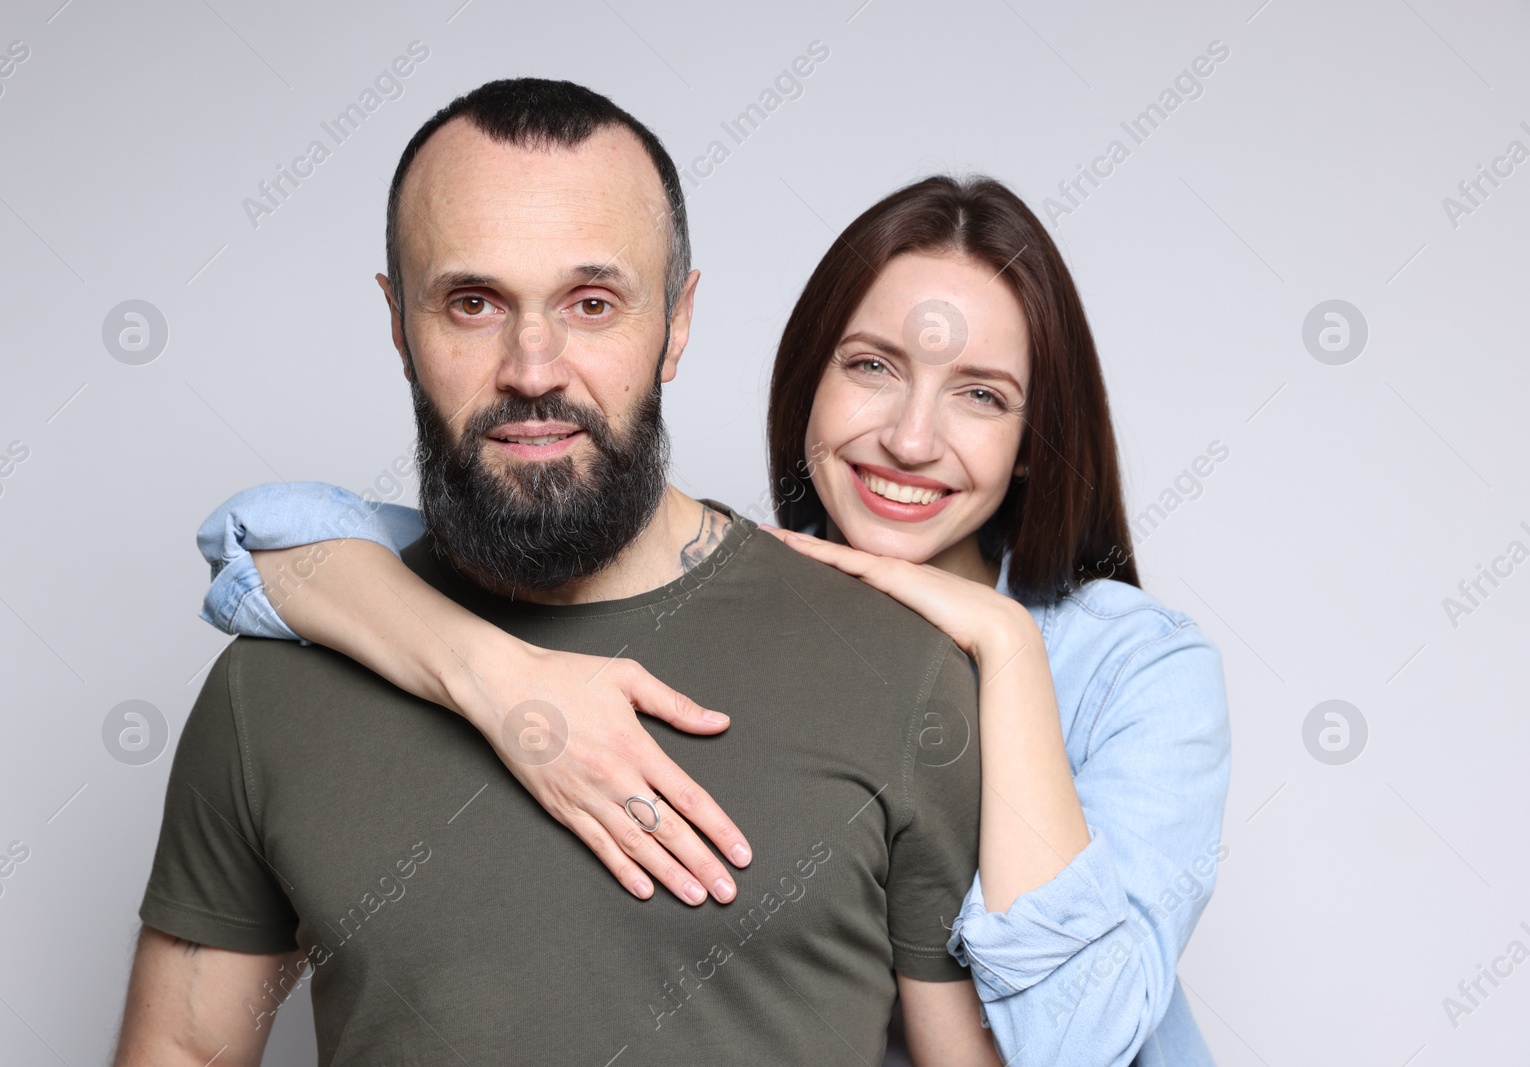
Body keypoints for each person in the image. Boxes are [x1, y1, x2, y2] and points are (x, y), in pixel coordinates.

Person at [190, 169, 1232, 1061]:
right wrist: (495, 677)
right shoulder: (702, 582)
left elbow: (1081, 1039)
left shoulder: (1135, 668)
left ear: (1033, 436)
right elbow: (262, 535)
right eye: (870, 367)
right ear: (805, 376)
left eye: (980, 395)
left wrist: (1001, 645)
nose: (912, 438)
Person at [114, 79, 1002, 1067]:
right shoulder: (270, 688)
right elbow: (184, 1044)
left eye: (591, 302)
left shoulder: (897, 669)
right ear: (399, 324)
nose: (532, 365)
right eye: (472, 301)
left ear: (677, 320)